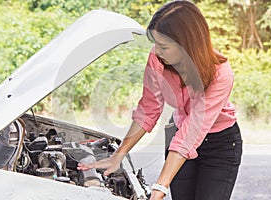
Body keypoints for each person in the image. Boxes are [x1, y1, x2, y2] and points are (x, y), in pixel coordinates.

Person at [78, 1, 243, 199]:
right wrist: (118, 156)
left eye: (163, 46)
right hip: (179, 135)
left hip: (219, 145)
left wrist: (161, 187)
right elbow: (148, 109)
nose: (156, 51)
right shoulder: (158, 59)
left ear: (186, 45)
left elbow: (191, 133)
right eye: (155, 44)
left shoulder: (221, 75)